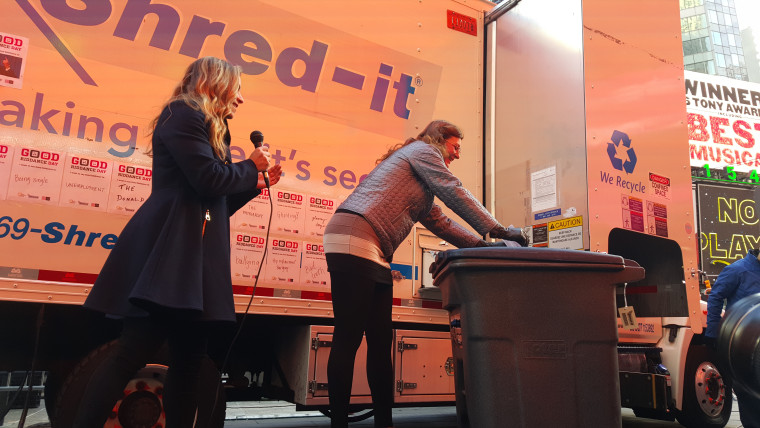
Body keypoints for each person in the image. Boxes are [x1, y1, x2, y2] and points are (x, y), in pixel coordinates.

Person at [73, 56, 282, 427]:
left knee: (189, 361)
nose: (241, 100)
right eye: (238, 89)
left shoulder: (206, 124)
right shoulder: (183, 113)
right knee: (132, 352)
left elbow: (215, 198)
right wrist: (251, 167)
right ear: (215, 82)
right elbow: (209, 180)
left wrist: (257, 182)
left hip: (192, 260)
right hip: (172, 255)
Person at [322, 120, 526, 428]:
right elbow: (454, 190)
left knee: (380, 343)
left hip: (372, 248)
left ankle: (384, 423)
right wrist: (498, 228)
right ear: (440, 141)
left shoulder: (420, 179)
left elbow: (441, 223)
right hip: (354, 235)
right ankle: (338, 423)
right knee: (348, 337)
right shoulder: (422, 151)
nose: (457, 155)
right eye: (455, 147)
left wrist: (484, 246)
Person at [706, 249, 760, 428]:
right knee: (748, 395)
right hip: (741, 346)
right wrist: (713, 333)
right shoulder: (737, 270)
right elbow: (715, 297)